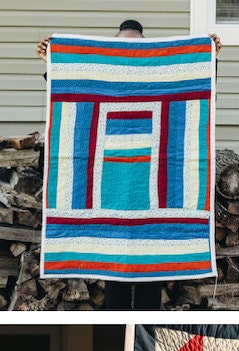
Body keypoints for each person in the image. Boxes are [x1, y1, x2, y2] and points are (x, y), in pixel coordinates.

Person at [37, 22, 221, 311]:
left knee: (150, 285)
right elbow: (73, 85)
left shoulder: (155, 75)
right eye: (123, 44)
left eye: (134, 44)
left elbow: (194, 84)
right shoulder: (105, 75)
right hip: (113, 201)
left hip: (147, 205)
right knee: (115, 288)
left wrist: (207, 56)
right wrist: (56, 60)